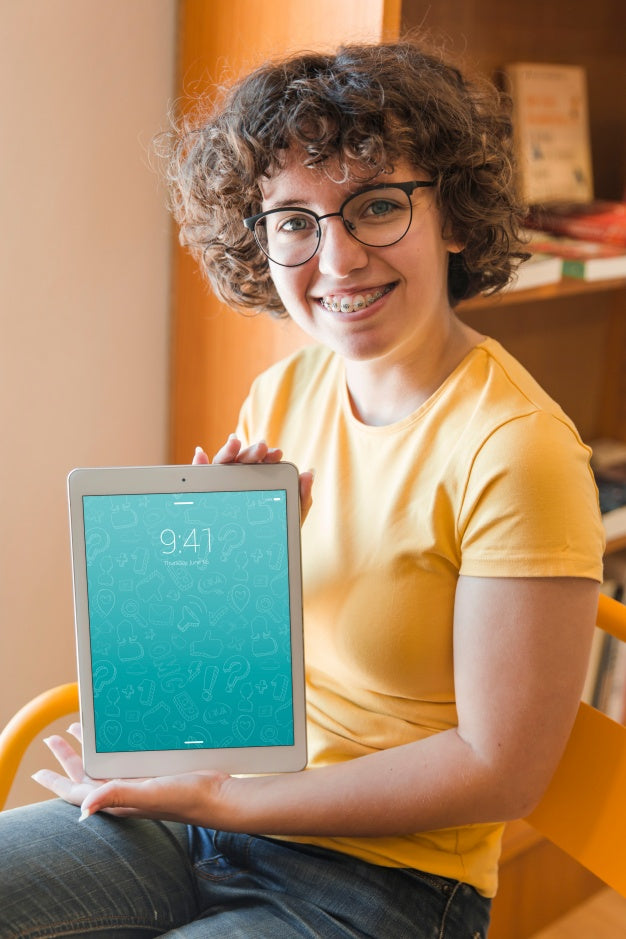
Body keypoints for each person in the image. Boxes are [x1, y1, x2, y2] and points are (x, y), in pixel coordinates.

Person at [0, 39, 604, 939]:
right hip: (203, 823)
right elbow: (234, 685)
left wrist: (227, 796)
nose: (338, 258)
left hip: (382, 883)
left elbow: (500, 768)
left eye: (376, 205)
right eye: (294, 220)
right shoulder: (286, 392)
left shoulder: (518, 450)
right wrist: (213, 570)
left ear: (455, 217)